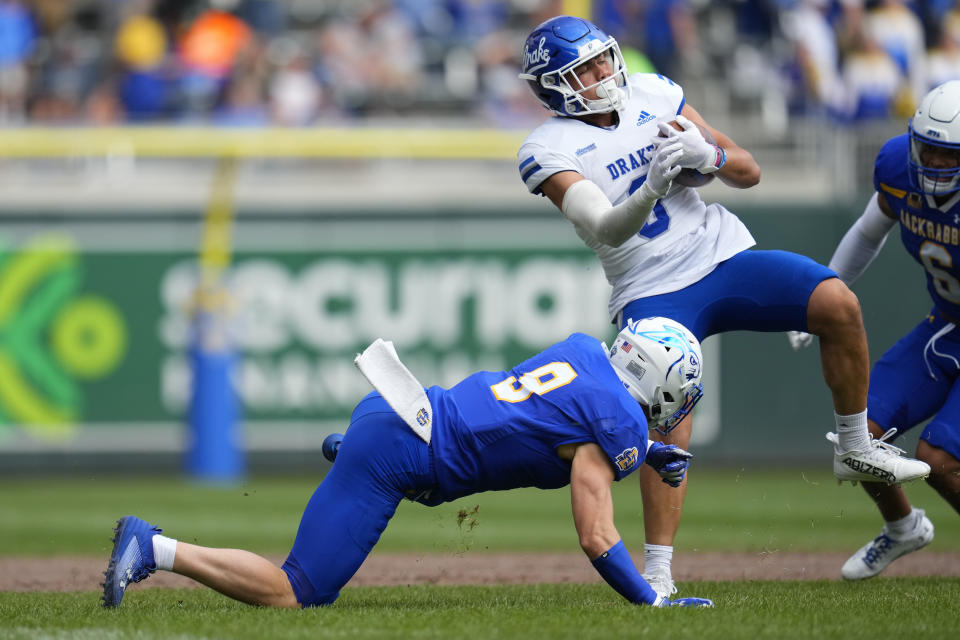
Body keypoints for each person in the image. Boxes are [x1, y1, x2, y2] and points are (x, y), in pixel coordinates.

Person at [516, 14, 931, 598]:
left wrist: (706, 156)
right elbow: (606, 228)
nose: (604, 72)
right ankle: (658, 572)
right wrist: (653, 185)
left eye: (604, 58)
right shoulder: (546, 148)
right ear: (554, 85)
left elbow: (748, 171)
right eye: (585, 69)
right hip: (650, 287)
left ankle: (857, 446)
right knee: (670, 422)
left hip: (723, 255)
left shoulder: (655, 93)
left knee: (837, 303)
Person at [102, 317, 714, 609]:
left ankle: (353, 456)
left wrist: (651, 451)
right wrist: (650, 601)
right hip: (401, 450)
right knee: (297, 591)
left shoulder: (583, 351)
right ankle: (152, 547)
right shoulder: (619, 425)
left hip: (404, 408)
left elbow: (549, 415)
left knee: (386, 474)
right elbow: (596, 533)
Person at [788, 80, 960, 579]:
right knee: (855, 438)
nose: (931, 163)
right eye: (925, 149)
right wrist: (823, 293)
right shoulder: (898, 167)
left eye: (946, 156)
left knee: (940, 457)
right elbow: (867, 231)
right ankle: (904, 527)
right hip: (946, 325)